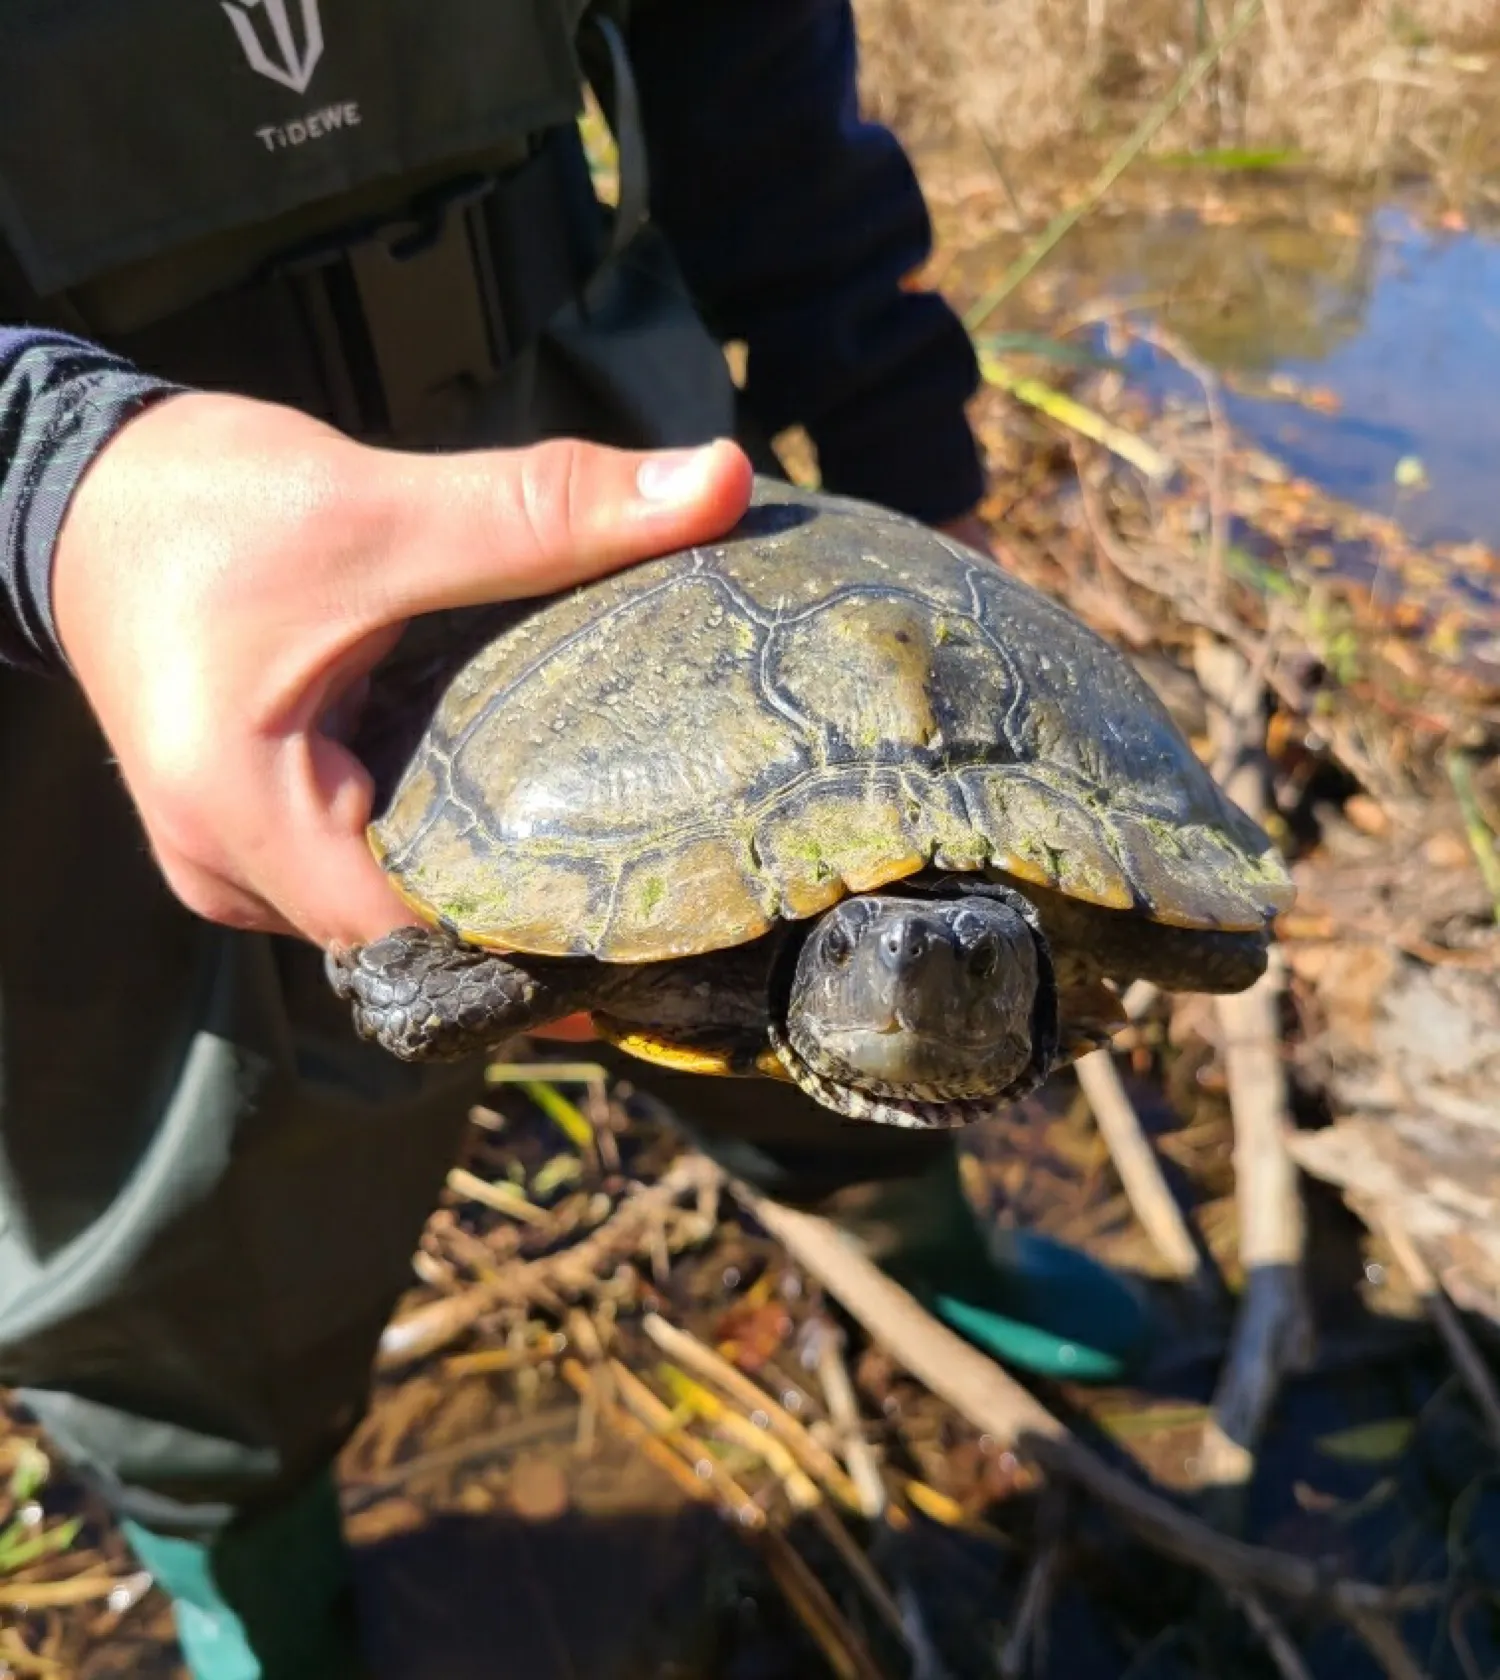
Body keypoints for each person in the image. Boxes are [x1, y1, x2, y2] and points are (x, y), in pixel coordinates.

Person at [0, 2, 1138, 1674]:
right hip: (96, 598)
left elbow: (741, 55)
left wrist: (891, 411)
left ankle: (907, 1218)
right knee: (181, 1204)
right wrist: (45, 476)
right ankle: (241, 1556)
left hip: (595, 413)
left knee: (887, 909)